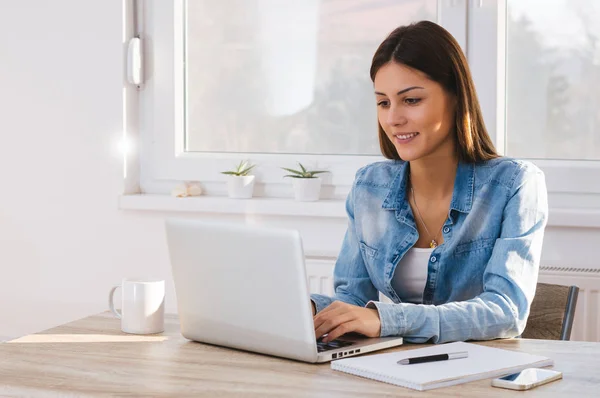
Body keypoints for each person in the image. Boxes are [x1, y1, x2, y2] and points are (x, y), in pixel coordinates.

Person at [310, 21, 548, 344]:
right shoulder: (368, 187)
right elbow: (353, 299)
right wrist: (306, 308)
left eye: (411, 100)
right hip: (394, 375)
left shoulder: (515, 186)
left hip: (480, 382)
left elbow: (504, 312)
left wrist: (388, 319)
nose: (393, 118)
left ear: (455, 97)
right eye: (383, 102)